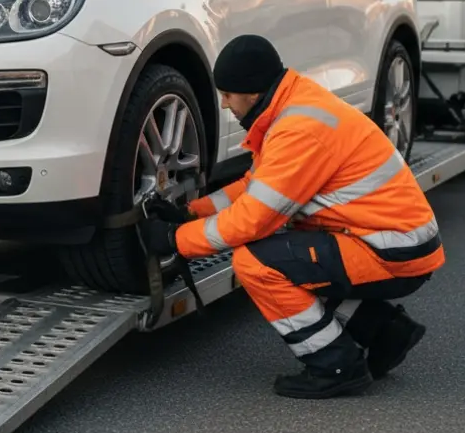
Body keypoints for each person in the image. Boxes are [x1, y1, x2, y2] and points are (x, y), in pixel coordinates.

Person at [140, 35, 443, 399]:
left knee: (257, 263)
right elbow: (254, 186)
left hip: (391, 249)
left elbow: (250, 221)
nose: (224, 103)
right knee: (294, 258)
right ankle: (386, 333)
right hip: (390, 237)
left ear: (252, 93)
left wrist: (174, 240)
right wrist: (190, 212)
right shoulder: (294, 105)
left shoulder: (297, 130)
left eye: (228, 95)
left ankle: (336, 366)